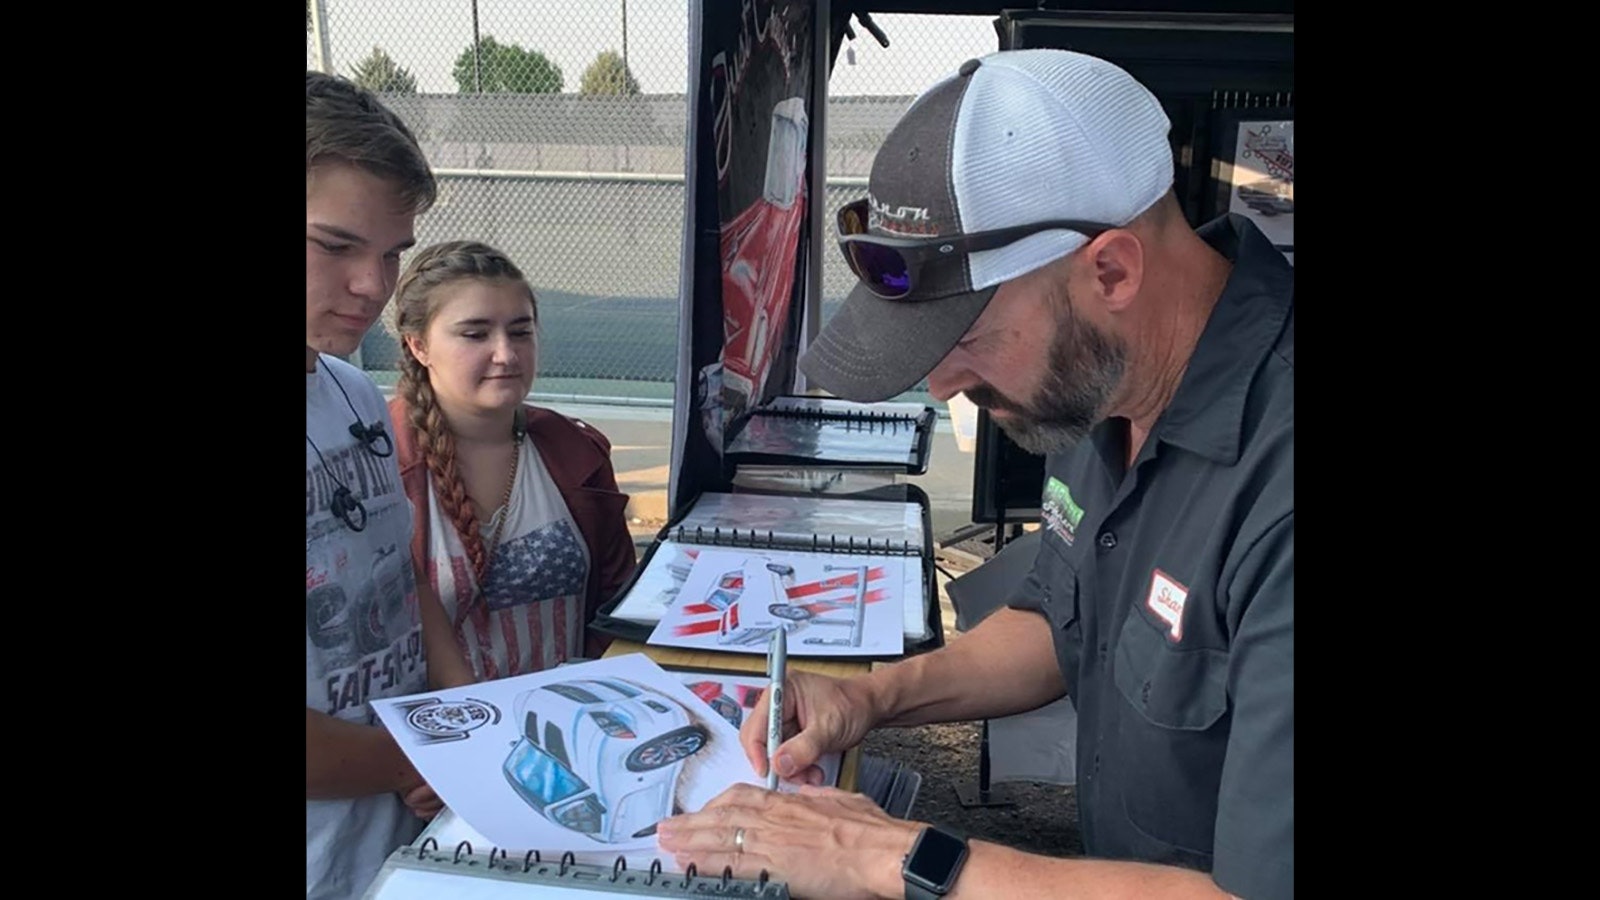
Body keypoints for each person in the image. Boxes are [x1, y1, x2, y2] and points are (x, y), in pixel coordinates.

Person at [657, 48, 1293, 900]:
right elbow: (1064, 622)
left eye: (965, 338)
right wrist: (876, 698)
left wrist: (882, 855)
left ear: (1111, 270)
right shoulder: (1103, 382)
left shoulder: (1276, 492)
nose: (942, 384)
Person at [305, 71, 475, 900]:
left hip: (394, 836)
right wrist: (426, 756)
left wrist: (465, 726)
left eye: (391, 253)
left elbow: (400, 574)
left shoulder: (354, 393)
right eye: (335, 247)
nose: (374, 286)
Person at [387, 240, 638, 681]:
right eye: (475, 334)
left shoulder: (577, 452)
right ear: (419, 346)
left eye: (520, 331)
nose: (505, 354)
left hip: (565, 722)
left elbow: (617, 604)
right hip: (432, 738)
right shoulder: (380, 463)